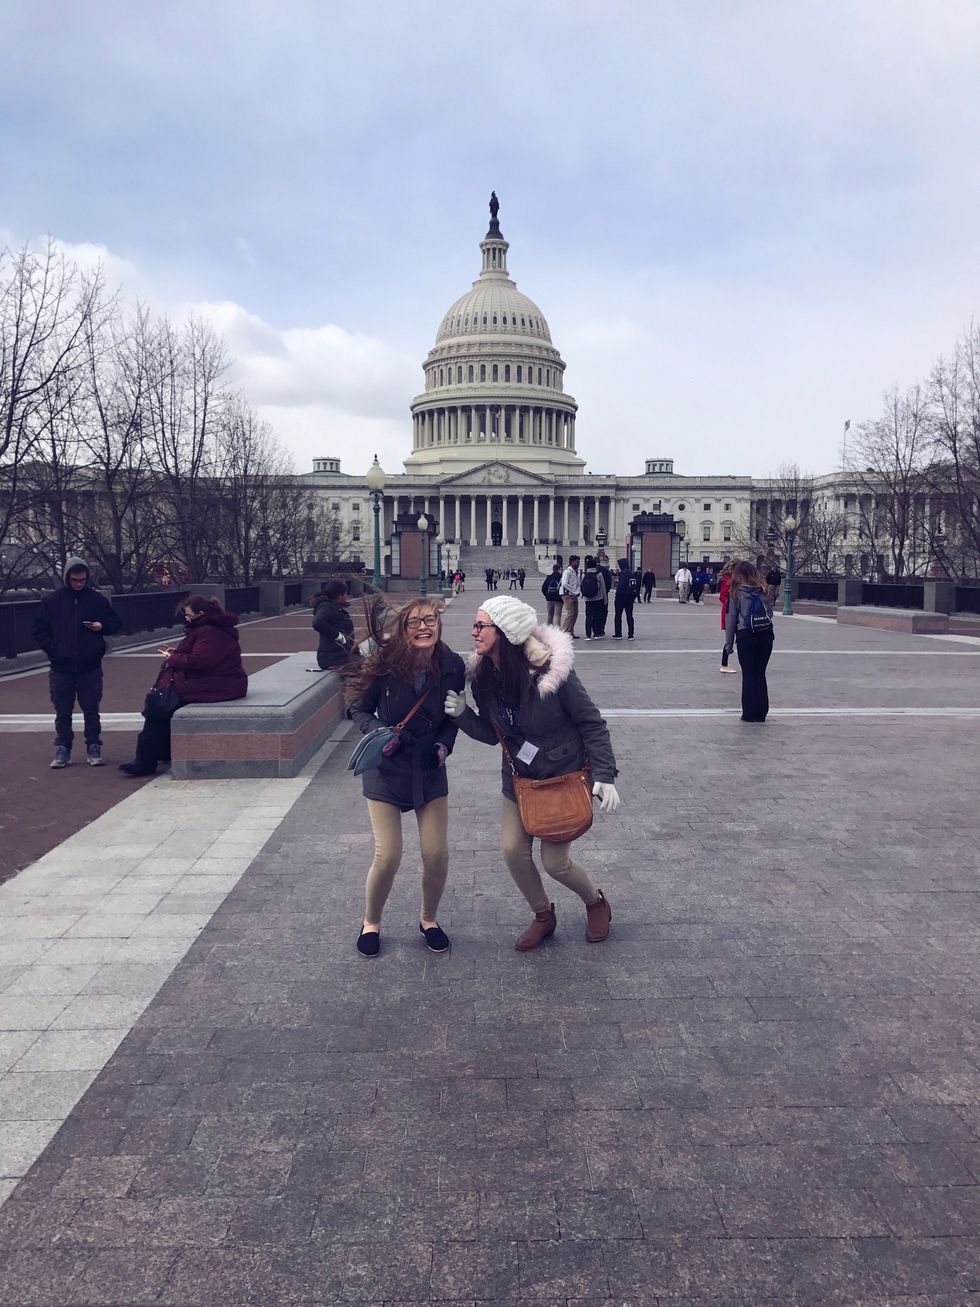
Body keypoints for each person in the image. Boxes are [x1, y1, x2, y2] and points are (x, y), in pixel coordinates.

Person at [444, 595, 620, 949]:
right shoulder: (482, 677)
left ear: (505, 632)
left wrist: (604, 774)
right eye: (475, 625)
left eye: (481, 625)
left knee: (555, 863)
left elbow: (591, 722)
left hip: (560, 776)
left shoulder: (552, 672)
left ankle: (595, 902)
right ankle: (543, 915)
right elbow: (493, 734)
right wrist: (463, 714)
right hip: (519, 779)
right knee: (513, 851)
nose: (474, 631)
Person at [347, 600, 465, 957]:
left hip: (428, 766)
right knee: (388, 855)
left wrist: (443, 747)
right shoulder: (383, 664)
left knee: (436, 853)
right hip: (387, 766)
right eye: (414, 622)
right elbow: (359, 709)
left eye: (430, 619)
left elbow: (451, 718)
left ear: (439, 623)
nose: (423, 627)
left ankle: (429, 919)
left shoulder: (452, 665)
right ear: (403, 629)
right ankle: (371, 922)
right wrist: (380, 733)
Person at [119, 594, 248, 776]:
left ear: (200, 614)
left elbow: (199, 662)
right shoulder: (211, 628)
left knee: (158, 709)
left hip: (214, 684)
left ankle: (145, 761)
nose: (186, 618)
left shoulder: (209, 631)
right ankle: (161, 752)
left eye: (188, 614)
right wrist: (177, 653)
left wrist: (173, 657)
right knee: (163, 706)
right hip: (219, 682)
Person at [33, 557, 122, 769]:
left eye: (82, 580)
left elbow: (115, 623)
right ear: (67, 578)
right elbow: (39, 629)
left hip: (89, 665)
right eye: (75, 580)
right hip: (61, 666)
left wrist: (101, 626)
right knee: (62, 710)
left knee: (91, 709)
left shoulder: (96, 600)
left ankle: (93, 745)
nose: (79, 584)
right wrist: (53, 649)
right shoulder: (53, 601)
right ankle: (63, 747)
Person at [723, 560, 775, 722]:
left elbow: (731, 618)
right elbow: (770, 613)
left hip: (746, 635)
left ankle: (749, 713)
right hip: (765, 635)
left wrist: (729, 645)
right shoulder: (763, 589)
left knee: (749, 674)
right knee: (760, 673)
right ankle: (762, 712)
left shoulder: (736, 592)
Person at [311, 580, 356, 670]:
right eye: (345, 594)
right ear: (339, 596)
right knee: (369, 665)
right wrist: (338, 636)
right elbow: (318, 622)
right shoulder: (326, 606)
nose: (346, 597)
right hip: (331, 657)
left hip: (341, 653)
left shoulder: (335, 607)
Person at [580, 555, 607, 640]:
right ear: (595, 565)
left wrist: (583, 595)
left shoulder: (584, 574)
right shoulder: (599, 574)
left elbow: (582, 586)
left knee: (588, 616)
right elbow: (603, 587)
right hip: (598, 598)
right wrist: (605, 599)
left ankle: (588, 635)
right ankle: (596, 633)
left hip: (588, 599)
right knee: (597, 616)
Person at [718, 561, 737, 673]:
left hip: (736, 612)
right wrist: (731, 605)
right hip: (729, 612)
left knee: (739, 637)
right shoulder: (728, 578)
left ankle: (725, 664)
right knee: (730, 639)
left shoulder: (737, 578)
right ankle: (724, 664)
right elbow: (722, 596)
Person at [612, 557, 638, 639]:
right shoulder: (631, 573)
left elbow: (621, 586)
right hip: (630, 598)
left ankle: (618, 633)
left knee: (618, 615)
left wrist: (617, 596)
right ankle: (631, 634)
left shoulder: (623, 573)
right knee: (629, 615)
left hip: (621, 598)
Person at [559, 554, 581, 637]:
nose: (578, 564)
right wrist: (574, 591)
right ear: (572, 562)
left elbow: (577, 583)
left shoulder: (576, 571)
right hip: (567, 594)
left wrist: (577, 591)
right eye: (577, 562)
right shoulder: (567, 571)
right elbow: (564, 583)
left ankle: (570, 631)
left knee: (575, 614)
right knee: (570, 613)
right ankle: (564, 632)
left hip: (573, 594)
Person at [596, 557, 613, 635]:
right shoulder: (605, 570)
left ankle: (594, 629)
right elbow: (609, 581)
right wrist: (606, 591)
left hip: (593, 595)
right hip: (604, 594)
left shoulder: (591, 570)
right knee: (603, 611)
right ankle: (601, 629)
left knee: (594, 612)